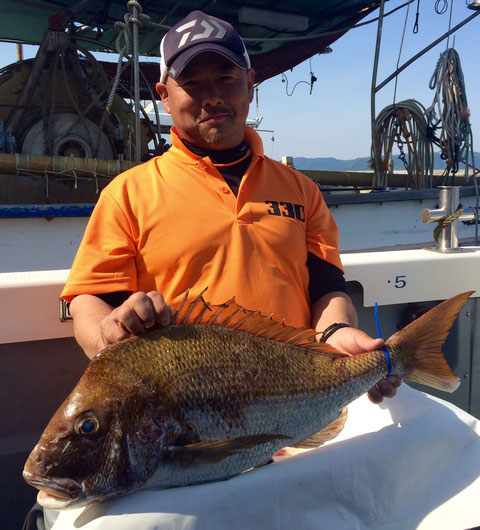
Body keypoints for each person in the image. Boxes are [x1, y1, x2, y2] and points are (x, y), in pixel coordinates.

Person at [61, 10, 401, 403]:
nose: (213, 97)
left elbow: (327, 289)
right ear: (165, 96)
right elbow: (89, 298)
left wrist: (336, 335)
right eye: (192, 83)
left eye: (226, 78)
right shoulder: (127, 194)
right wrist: (106, 333)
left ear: (251, 83)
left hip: (296, 396)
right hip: (185, 408)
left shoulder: (303, 190)